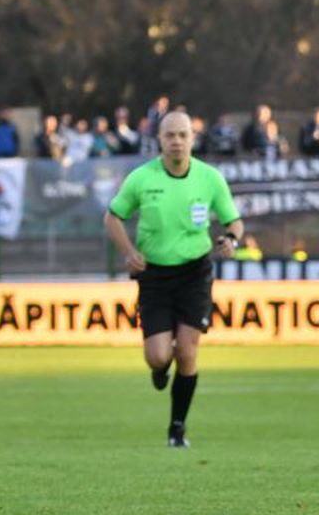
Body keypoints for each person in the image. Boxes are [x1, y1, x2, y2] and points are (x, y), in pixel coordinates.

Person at [103, 111, 243, 448]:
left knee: (189, 352)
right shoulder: (141, 178)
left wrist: (231, 239)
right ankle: (158, 368)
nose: (177, 141)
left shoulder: (210, 179)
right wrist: (129, 252)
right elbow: (113, 217)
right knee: (158, 356)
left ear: (192, 139)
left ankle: (177, 429)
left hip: (195, 272)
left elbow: (234, 221)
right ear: (160, 140)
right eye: (170, 136)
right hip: (154, 275)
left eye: (183, 135)